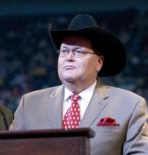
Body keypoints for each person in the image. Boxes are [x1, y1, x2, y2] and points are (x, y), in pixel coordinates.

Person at [9, 14, 148, 155]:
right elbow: (9, 151)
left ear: (99, 62)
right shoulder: (29, 104)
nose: (69, 57)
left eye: (78, 52)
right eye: (64, 51)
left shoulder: (130, 105)